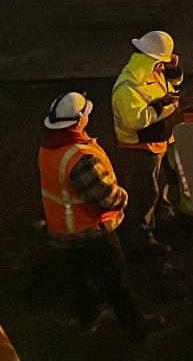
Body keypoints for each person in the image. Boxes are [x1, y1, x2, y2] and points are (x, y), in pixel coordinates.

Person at [39, 91, 144, 331]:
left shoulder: (49, 147)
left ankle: (88, 316)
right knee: (116, 280)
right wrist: (124, 197)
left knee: (80, 278)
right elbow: (105, 198)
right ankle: (133, 322)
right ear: (78, 121)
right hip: (91, 230)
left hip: (62, 229)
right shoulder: (80, 157)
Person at [111, 29, 193, 235]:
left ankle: (165, 221)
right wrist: (162, 105)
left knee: (161, 185)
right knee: (146, 194)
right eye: (162, 62)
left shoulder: (151, 73)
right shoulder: (127, 87)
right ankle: (143, 236)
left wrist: (174, 69)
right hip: (139, 149)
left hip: (158, 143)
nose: (163, 67)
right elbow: (135, 121)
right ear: (154, 59)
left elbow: (172, 83)